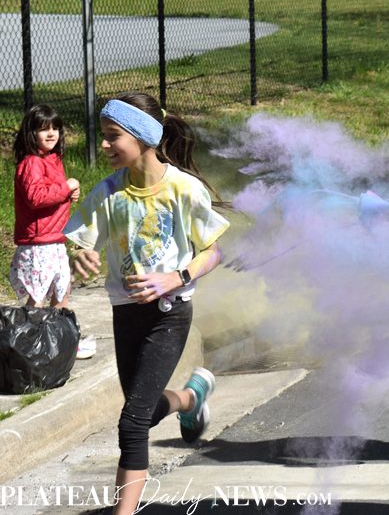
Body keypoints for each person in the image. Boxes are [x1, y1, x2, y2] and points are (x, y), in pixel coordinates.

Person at [64, 92, 230, 515]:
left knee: (132, 423)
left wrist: (175, 278)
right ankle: (191, 398)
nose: (104, 145)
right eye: (104, 135)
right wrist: (79, 254)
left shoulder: (183, 189)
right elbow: (82, 241)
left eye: (112, 136)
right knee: (142, 411)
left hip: (168, 316)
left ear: (141, 136)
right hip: (125, 313)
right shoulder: (108, 192)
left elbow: (213, 252)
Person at [10, 104, 80, 309]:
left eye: (55, 128)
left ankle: (59, 329)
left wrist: (69, 193)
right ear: (31, 134)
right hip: (38, 244)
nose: (51, 134)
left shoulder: (52, 160)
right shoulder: (32, 162)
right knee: (38, 295)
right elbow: (36, 198)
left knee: (62, 289)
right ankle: (32, 329)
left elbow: (52, 192)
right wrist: (66, 187)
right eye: (44, 129)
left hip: (54, 239)